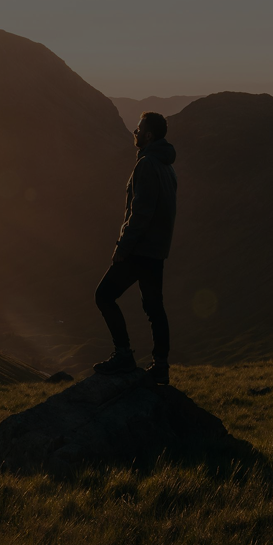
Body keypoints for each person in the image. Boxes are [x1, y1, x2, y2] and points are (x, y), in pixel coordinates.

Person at [93, 109, 177, 384]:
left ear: (149, 135)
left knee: (104, 296)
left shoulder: (146, 165)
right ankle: (161, 366)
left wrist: (122, 247)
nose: (135, 132)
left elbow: (139, 214)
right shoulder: (167, 167)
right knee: (155, 307)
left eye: (139, 129)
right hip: (156, 251)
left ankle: (123, 355)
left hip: (139, 249)